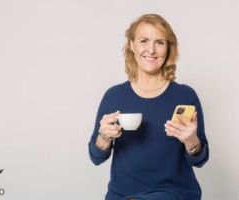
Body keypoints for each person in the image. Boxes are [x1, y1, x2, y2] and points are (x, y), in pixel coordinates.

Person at [88, 14, 209, 200]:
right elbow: (96, 157)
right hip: (122, 195)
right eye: (143, 41)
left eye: (159, 42)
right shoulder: (114, 96)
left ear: (168, 48)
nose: (151, 50)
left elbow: (199, 159)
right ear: (132, 45)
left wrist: (191, 141)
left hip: (173, 194)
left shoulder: (185, 96)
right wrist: (104, 136)